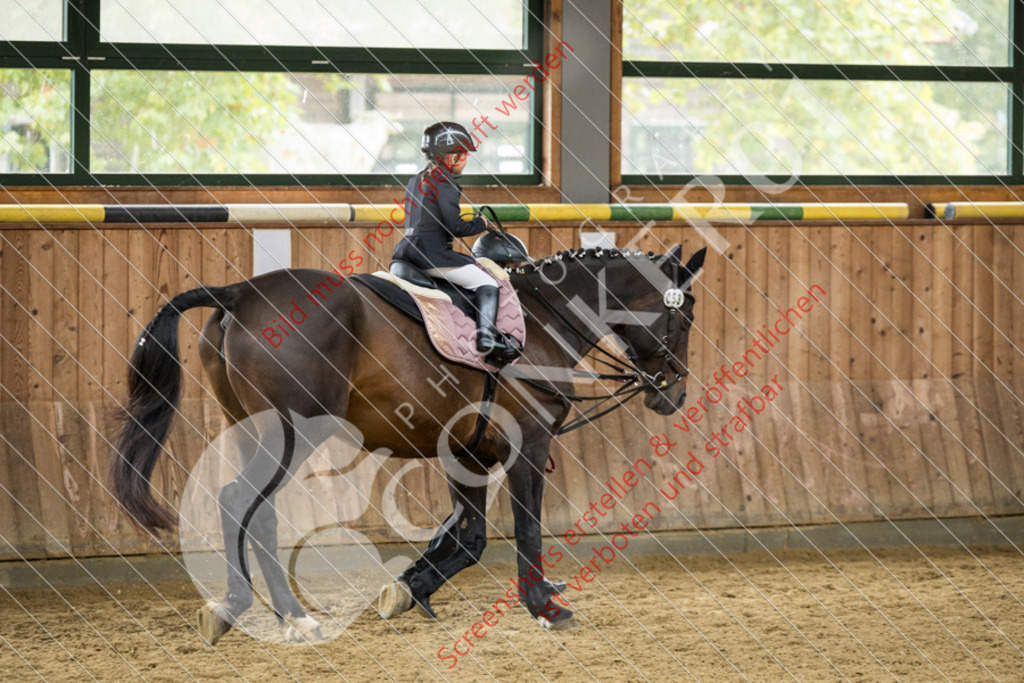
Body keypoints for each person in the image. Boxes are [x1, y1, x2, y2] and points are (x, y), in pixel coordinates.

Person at [392, 121, 505, 356]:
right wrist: (479, 223)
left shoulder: (417, 179)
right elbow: (453, 226)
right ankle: (486, 339)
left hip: (406, 252)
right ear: (452, 157)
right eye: (463, 154)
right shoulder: (444, 181)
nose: (465, 160)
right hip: (432, 255)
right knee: (488, 283)